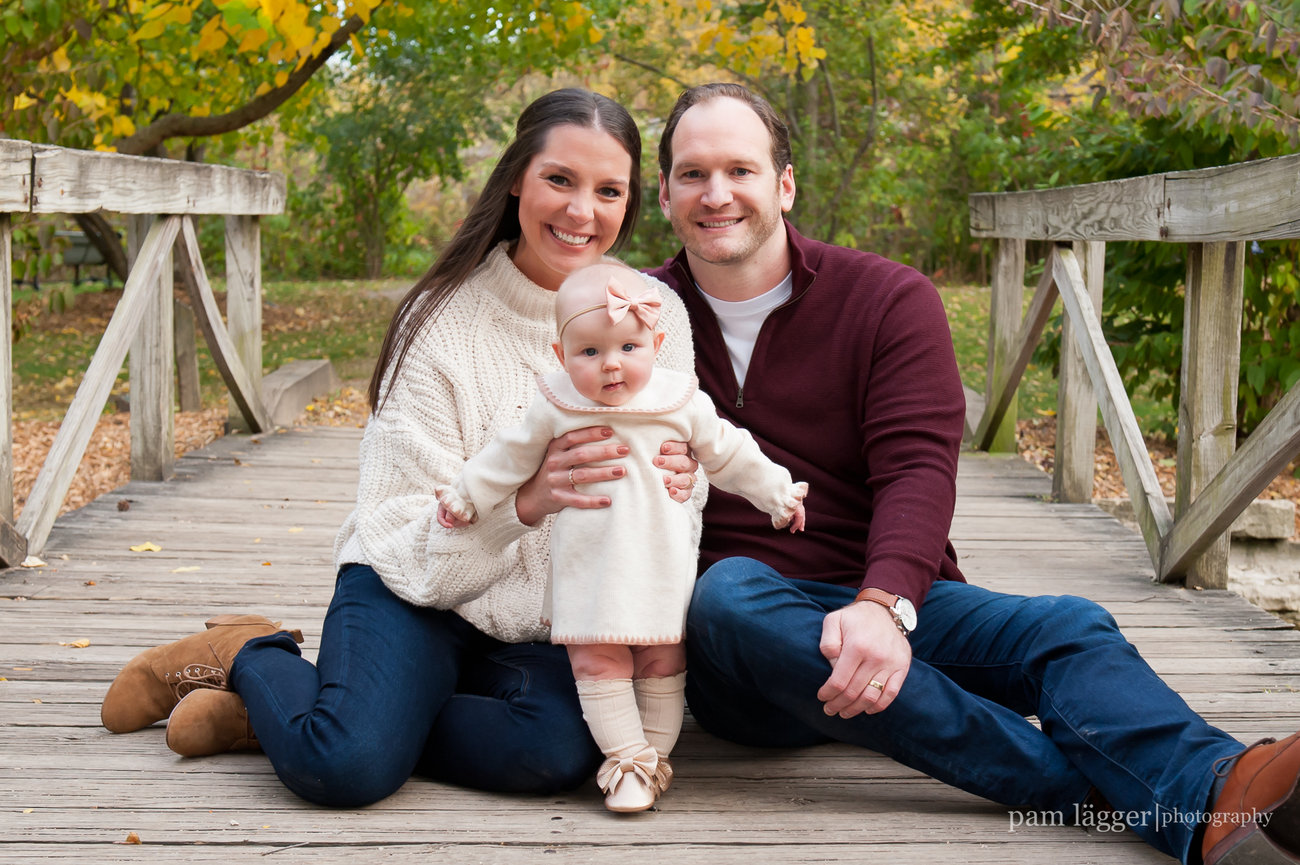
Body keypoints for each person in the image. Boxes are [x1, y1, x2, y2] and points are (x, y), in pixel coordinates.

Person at [648, 81, 1300, 865]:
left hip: (891, 600)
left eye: (741, 170)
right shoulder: (633, 322)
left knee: (1067, 625)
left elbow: (917, 469)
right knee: (725, 595)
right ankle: (1104, 793)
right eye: (692, 174)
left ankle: (1214, 791)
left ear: (785, 185)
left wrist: (884, 605)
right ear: (664, 193)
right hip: (747, 649)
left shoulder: (887, 298)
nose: (716, 194)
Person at [97, 88, 702, 807]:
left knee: (557, 750)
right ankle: (249, 651)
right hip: (413, 584)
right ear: (516, 179)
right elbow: (405, 526)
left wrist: (685, 482)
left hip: (545, 623)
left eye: (609, 190)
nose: (582, 212)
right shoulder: (441, 320)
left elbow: (682, 486)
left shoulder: (654, 315)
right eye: (560, 180)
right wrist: (526, 502)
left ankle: (306, 712)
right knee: (346, 763)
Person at [435, 260, 808, 812]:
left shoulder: (680, 400)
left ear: (656, 342)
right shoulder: (558, 403)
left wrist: (778, 494)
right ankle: (626, 757)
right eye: (589, 352)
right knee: (597, 660)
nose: (611, 366)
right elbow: (507, 454)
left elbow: (731, 452)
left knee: (662, 659)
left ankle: (652, 760)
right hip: (590, 566)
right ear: (562, 357)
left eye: (628, 348)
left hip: (657, 560)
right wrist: (467, 494)